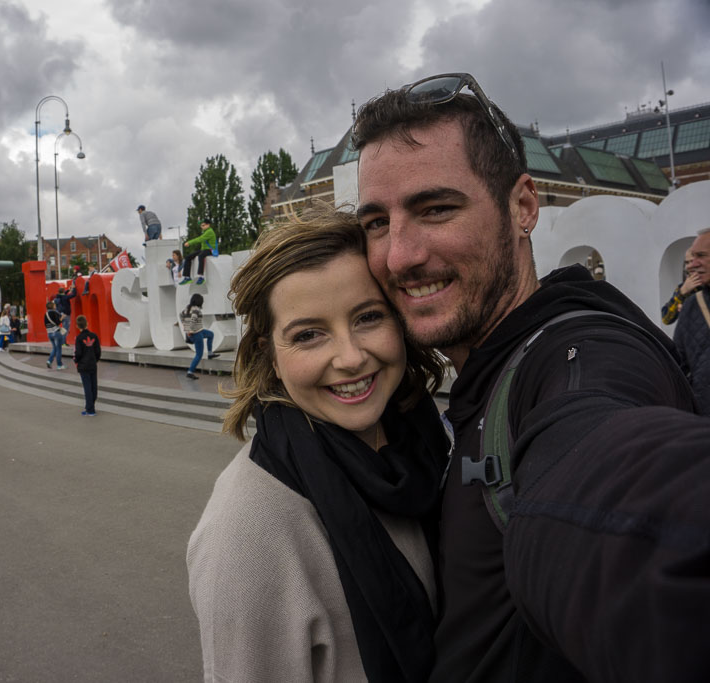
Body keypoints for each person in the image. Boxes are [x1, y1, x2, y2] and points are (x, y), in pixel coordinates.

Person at [352, 72, 710, 682]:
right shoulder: (483, 376)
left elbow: (611, 473)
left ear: (523, 206)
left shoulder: (581, 358)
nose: (398, 255)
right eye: (376, 223)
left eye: (435, 208)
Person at [188, 208, 449, 682]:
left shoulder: (430, 448)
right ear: (268, 352)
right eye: (308, 335)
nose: (350, 357)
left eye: (368, 317)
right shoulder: (249, 533)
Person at [673, 229, 710, 413]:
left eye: (701, 256)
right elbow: (667, 316)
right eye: (689, 260)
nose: (691, 266)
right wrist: (681, 293)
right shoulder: (692, 304)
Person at [180, 293, 220, 380]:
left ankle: (210, 353)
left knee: (210, 334)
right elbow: (193, 320)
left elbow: (182, 318)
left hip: (199, 331)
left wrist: (186, 330)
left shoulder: (186, 309)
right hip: (196, 333)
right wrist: (189, 331)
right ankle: (190, 372)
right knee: (199, 354)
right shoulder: (196, 310)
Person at [73, 314, 101, 416]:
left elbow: (78, 353)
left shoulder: (79, 338)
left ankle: (90, 410)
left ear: (77, 326)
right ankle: (90, 406)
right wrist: (95, 360)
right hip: (93, 364)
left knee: (87, 387)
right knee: (94, 386)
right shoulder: (94, 336)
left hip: (83, 365)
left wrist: (76, 361)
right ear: (87, 324)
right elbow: (98, 351)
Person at [179, 220, 217, 286]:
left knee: (201, 256)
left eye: (203, 225)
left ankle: (201, 277)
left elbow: (200, 239)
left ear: (208, 225)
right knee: (188, 257)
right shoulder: (205, 232)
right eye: (201, 226)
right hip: (203, 249)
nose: (202, 227)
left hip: (210, 250)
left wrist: (189, 243)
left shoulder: (210, 232)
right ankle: (187, 277)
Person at [43, 301, 66, 370]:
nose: (55, 305)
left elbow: (45, 325)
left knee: (55, 348)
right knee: (59, 349)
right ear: (52, 306)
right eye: (54, 305)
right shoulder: (54, 312)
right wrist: (62, 317)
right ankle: (59, 365)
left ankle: (49, 361)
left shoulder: (46, 314)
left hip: (49, 333)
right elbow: (58, 322)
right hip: (56, 332)